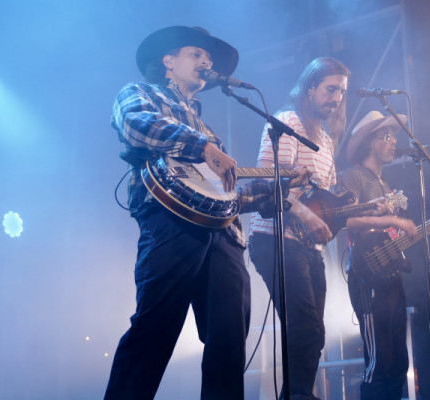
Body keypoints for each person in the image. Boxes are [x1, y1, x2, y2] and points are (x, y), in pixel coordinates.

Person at [104, 26, 308, 400]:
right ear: (168, 61)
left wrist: (276, 187)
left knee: (229, 338)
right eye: (196, 54)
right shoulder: (138, 93)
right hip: (170, 225)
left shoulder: (209, 130)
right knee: (154, 330)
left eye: (209, 59)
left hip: (224, 235)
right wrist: (202, 147)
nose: (206, 62)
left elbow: (226, 198)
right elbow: (134, 123)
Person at [247, 57, 350, 400]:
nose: (336, 97)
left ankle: (296, 395)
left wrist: (355, 211)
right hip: (274, 238)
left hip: (309, 248)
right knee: (305, 328)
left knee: (313, 333)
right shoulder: (286, 122)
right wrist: (306, 215)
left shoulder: (327, 141)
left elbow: (328, 199)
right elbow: (267, 181)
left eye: (341, 91)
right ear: (310, 88)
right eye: (330, 88)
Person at [339, 111, 418, 400]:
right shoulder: (352, 178)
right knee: (380, 360)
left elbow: (391, 234)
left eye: (394, 136)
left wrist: (403, 227)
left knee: (399, 360)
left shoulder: (386, 187)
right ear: (371, 142)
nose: (394, 142)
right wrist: (394, 221)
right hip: (366, 273)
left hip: (390, 273)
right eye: (387, 136)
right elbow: (344, 221)